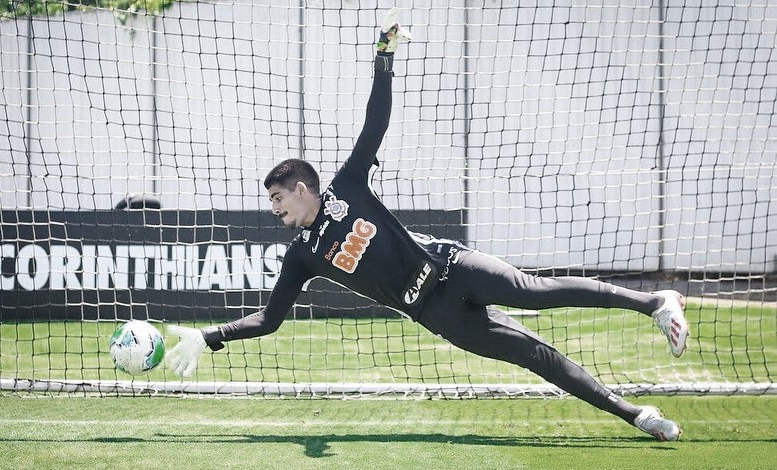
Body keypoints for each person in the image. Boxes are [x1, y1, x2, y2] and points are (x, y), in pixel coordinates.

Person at [166, 8, 689, 442]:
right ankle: (637, 415)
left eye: (278, 198)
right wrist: (209, 337)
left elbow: (375, 123)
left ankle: (655, 303)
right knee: (534, 355)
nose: (275, 209)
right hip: (434, 311)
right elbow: (269, 319)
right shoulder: (301, 254)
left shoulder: (347, 187)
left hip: (451, 266)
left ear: (302, 188)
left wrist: (383, 59)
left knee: (538, 290)